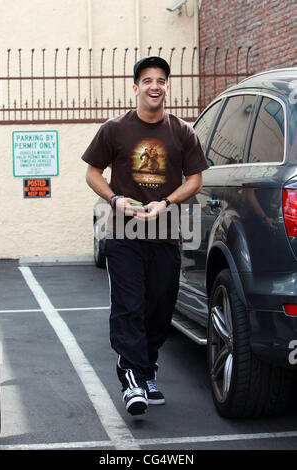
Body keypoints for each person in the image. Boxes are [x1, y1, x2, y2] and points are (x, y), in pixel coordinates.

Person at [81, 56, 208, 416]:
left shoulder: (182, 132)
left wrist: (166, 201)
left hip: (165, 235)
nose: (155, 86)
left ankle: (147, 370)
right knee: (129, 307)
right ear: (135, 87)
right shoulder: (115, 129)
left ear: (167, 87)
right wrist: (115, 198)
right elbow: (93, 173)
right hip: (124, 235)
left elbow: (195, 179)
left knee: (159, 309)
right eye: (147, 80)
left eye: (161, 80)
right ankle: (131, 379)